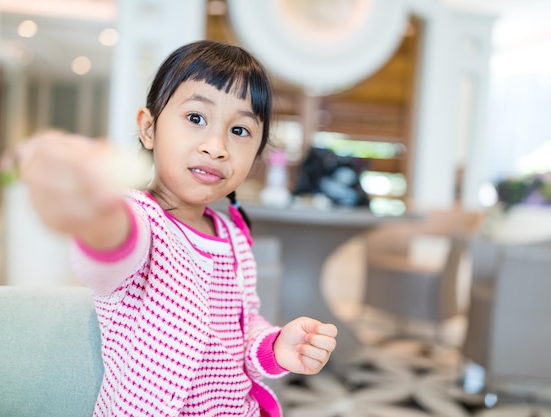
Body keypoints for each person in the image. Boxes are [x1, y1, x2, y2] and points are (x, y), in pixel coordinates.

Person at [17, 40, 337, 417]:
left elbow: (243, 324)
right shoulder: (139, 218)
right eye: (196, 119)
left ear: (256, 156)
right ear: (149, 129)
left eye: (239, 131)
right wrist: (96, 216)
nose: (216, 146)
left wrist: (276, 346)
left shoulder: (233, 236)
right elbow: (113, 251)